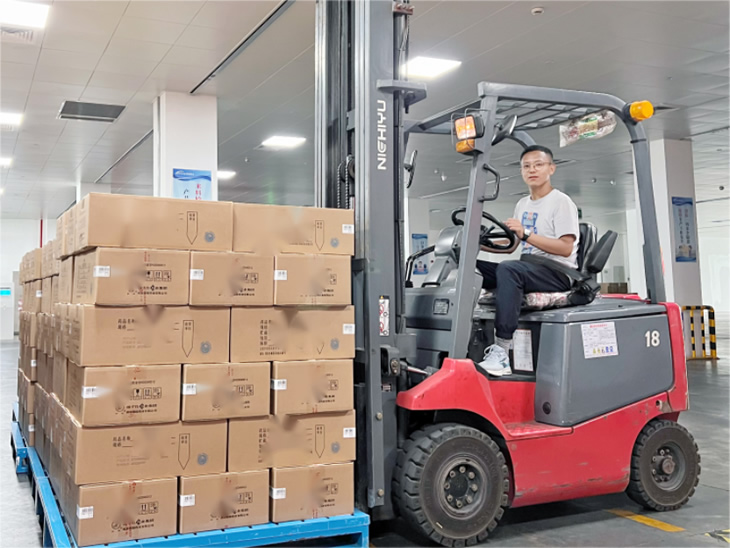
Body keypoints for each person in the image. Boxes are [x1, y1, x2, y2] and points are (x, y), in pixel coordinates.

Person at [476, 144, 580, 376]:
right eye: (526, 166)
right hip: (527, 269)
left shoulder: (561, 202)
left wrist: (526, 234)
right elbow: (513, 244)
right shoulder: (522, 204)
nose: (532, 170)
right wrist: (477, 244)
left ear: (551, 169)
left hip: (558, 273)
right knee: (472, 267)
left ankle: (502, 352)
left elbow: (565, 248)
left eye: (538, 165)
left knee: (509, 270)